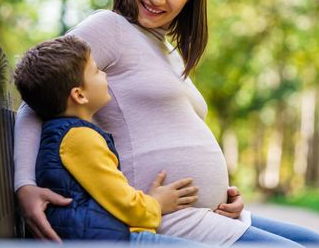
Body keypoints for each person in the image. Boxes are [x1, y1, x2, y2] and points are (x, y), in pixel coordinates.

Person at [14, 0, 319, 247]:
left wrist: (223, 192)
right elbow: (35, 99)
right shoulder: (108, 28)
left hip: (206, 212)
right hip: (157, 214)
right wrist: (24, 185)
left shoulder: (168, 49)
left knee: (315, 242)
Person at [13, 35, 204, 245]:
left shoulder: (68, 136)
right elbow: (125, 205)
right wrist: (157, 203)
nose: (104, 74)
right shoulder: (80, 139)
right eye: (96, 70)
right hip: (110, 240)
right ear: (79, 95)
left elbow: (106, 196)